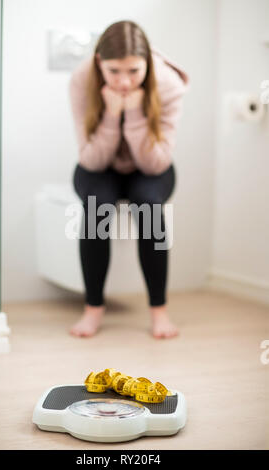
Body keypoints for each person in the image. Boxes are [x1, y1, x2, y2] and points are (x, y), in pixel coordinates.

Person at [68, 20, 190, 339]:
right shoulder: (83, 78)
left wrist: (134, 115)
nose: (124, 82)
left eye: (134, 71)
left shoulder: (169, 84)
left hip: (149, 164)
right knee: (96, 207)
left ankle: (159, 311)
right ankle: (93, 309)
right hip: (99, 165)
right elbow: (92, 159)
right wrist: (110, 116)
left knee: (149, 207)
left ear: (148, 64)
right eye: (114, 72)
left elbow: (155, 164)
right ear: (99, 64)